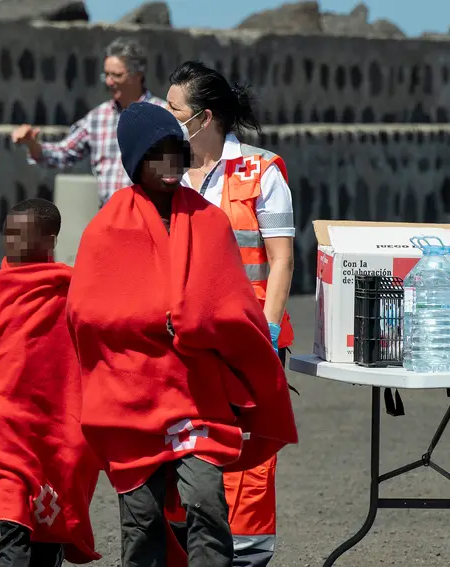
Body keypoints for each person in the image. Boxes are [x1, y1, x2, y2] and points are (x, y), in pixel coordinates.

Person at [65, 102, 298, 567]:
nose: (171, 167)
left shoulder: (210, 222)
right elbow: (84, 313)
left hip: (197, 396)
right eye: (157, 156)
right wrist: (154, 318)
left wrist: (197, 321)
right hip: (130, 397)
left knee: (207, 505)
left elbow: (230, 303)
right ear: (135, 162)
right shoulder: (107, 227)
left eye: (177, 154)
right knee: (143, 520)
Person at [166, 60, 296, 567]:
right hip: (189, 339)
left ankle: (245, 558)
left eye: (176, 110)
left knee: (246, 459)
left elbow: (282, 259)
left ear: (206, 115)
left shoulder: (262, 171)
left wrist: (264, 332)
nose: (169, 118)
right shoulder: (170, 173)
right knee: (186, 449)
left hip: (250, 340)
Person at [0, 198, 101, 567]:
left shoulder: (73, 292)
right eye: (7, 235)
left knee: (49, 529)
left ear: (49, 241)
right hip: (4, 431)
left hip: (57, 431)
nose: (10, 243)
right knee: (10, 513)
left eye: (21, 236)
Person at [11, 38, 167, 206]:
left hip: (152, 219)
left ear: (138, 75)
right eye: (106, 75)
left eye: (116, 75)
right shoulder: (97, 118)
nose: (109, 82)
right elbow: (63, 153)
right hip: (110, 219)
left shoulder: (164, 115)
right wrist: (33, 145)